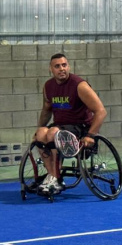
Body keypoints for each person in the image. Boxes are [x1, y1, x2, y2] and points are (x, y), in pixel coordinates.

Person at [34, 53, 107, 193]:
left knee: (53, 133)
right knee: (41, 133)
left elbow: (101, 111)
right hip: (60, 127)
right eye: (57, 66)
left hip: (80, 128)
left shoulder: (79, 85)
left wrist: (91, 135)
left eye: (64, 65)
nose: (61, 68)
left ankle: (55, 177)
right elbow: (46, 110)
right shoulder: (48, 86)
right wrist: (38, 131)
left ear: (69, 67)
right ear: (50, 69)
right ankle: (53, 176)